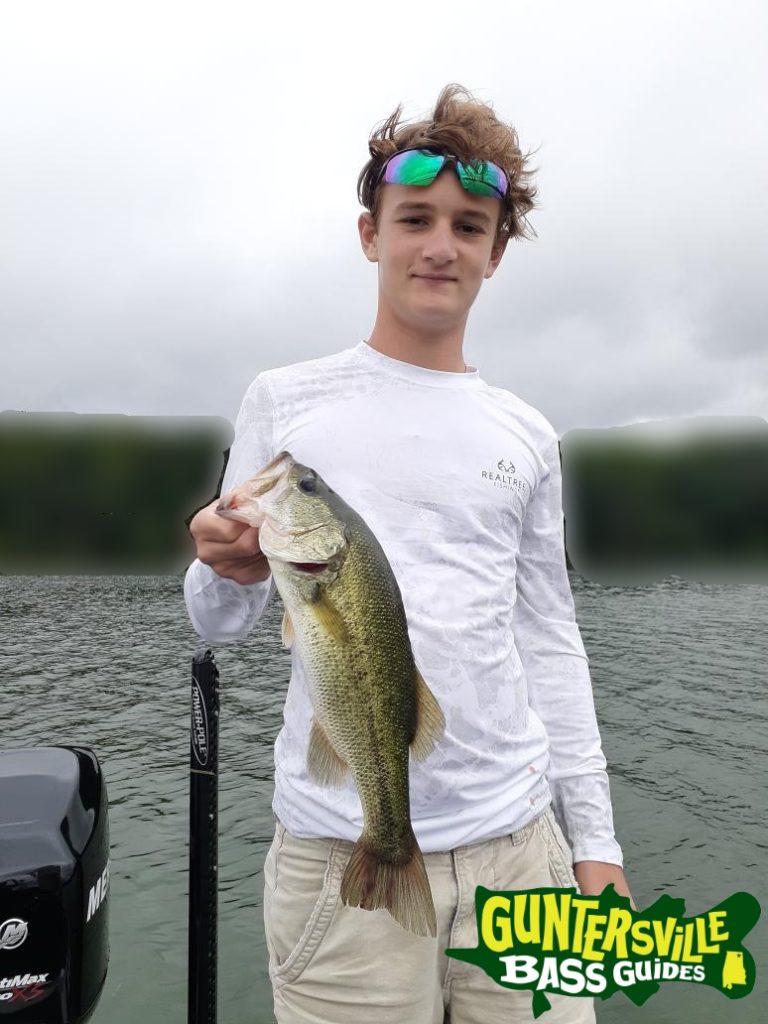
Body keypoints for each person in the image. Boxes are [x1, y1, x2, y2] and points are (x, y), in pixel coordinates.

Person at [184, 83, 633, 1024]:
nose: (440, 245)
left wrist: (595, 842)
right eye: (415, 218)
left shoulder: (527, 434)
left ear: (495, 253)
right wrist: (222, 566)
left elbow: (550, 641)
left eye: (469, 227)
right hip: (340, 855)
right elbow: (219, 621)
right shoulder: (285, 401)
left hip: (524, 853)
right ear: (370, 234)